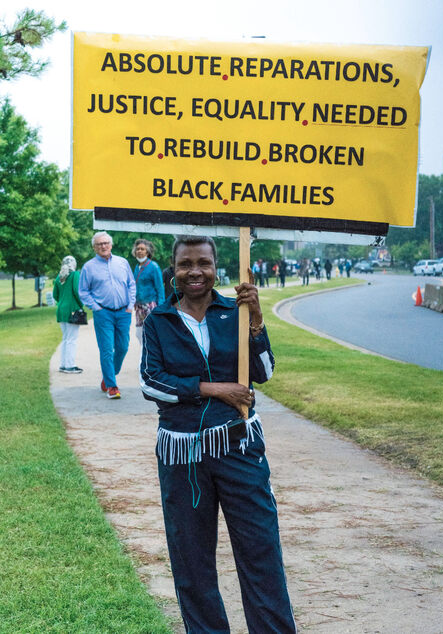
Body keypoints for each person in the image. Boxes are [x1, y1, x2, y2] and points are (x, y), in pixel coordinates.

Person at [140, 235, 296, 633]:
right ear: (172, 270)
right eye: (185, 264)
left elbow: (264, 373)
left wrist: (257, 321)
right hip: (183, 456)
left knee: (260, 550)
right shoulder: (159, 321)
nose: (195, 272)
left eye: (204, 263)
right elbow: (151, 383)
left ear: (216, 267)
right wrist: (214, 389)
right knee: (191, 560)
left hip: (239, 447)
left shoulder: (236, 312)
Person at [78, 231, 135, 399]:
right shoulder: (89, 267)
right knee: (106, 350)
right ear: (94, 248)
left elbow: (131, 284)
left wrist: (131, 305)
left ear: (111, 245)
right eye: (99, 244)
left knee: (123, 347)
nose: (103, 246)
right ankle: (112, 386)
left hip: (124, 312)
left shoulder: (122, 263)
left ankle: (108, 376)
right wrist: (96, 308)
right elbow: (83, 291)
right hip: (104, 313)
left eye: (105, 243)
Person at [52, 255, 84, 374]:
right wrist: (81, 304)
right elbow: (77, 291)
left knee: (66, 338)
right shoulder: (75, 275)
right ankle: (70, 366)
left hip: (61, 309)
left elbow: (55, 295)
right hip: (72, 309)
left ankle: (63, 364)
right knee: (72, 339)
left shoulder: (59, 276)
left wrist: (62, 301)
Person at [132, 239, 165, 344]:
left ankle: (147, 356)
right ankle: (144, 354)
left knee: (150, 333)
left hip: (151, 305)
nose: (139, 251)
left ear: (147, 252)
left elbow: (160, 288)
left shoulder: (153, 267)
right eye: (138, 249)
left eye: (142, 249)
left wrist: (160, 307)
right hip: (139, 306)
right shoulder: (137, 267)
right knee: (139, 334)